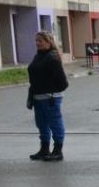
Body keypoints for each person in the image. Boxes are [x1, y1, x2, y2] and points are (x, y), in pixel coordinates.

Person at [27, 31, 69, 161]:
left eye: (40, 41)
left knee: (55, 123)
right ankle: (44, 149)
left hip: (50, 98)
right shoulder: (38, 56)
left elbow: (63, 82)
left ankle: (57, 150)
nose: (37, 43)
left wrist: (52, 91)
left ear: (49, 42)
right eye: (36, 41)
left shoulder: (52, 57)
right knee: (41, 124)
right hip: (38, 97)